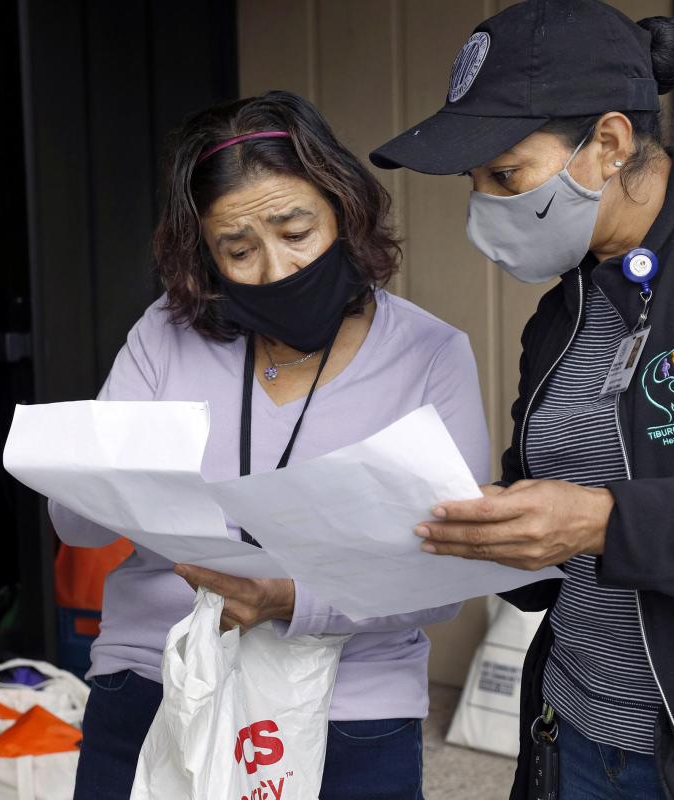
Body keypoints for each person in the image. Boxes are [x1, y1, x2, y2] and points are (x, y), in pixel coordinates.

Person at [371, 1, 674, 798]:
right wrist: (493, 525)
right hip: (572, 733)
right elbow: (554, 534)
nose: (484, 206)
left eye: (504, 174)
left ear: (610, 145)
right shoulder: (562, 312)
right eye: (474, 182)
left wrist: (607, 521)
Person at [48, 90, 490, 799]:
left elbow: (451, 569)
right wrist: (88, 480)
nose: (276, 268)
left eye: (294, 230)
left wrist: (292, 598)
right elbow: (76, 521)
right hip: (159, 674)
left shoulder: (429, 353)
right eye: (238, 249)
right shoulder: (166, 333)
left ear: (343, 210)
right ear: (203, 255)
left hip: (352, 702)